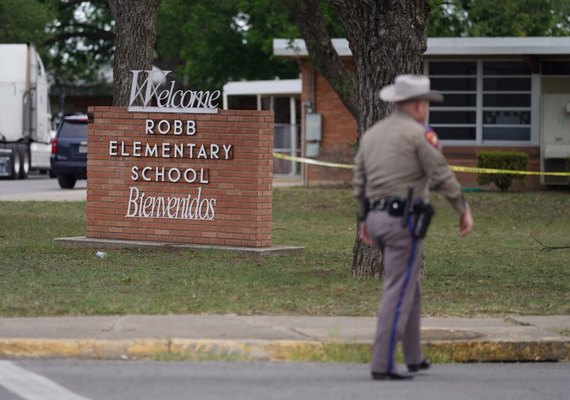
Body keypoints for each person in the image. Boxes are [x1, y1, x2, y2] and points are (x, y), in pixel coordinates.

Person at [352, 74, 474, 381]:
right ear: (419, 105)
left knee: (409, 286)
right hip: (401, 222)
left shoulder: (372, 134)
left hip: (376, 220)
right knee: (397, 290)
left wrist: (363, 219)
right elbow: (441, 174)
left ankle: (415, 357)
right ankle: (383, 363)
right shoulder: (419, 134)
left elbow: (359, 180)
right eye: (427, 104)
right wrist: (463, 209)